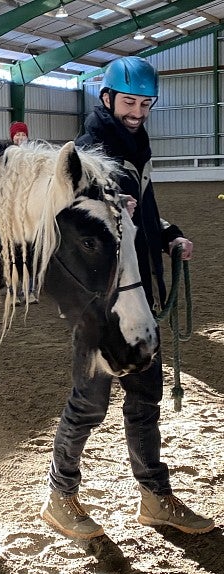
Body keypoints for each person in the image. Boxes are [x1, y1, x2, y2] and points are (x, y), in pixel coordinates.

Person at [40, 56, 214, 539]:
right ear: (107, 98)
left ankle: (155, 497)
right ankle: (60, 494)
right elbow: (71, 222)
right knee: (90, 403)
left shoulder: (135, 141)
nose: (138, 111)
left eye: (145, 103)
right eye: (129, 102)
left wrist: (168, 235)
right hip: (102, 304)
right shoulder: (91, 148)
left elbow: (144, 213)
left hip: (139, 292)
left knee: (145, 399)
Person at [9, 121, 38, 304]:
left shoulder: (34, 156)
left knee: (30, 250)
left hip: (30, 208)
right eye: (17, 135)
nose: (20, 138)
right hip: (12, 209)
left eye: (23, 134)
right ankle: (13, 292)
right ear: (12, 137)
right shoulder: (9, 156)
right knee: (12, 251)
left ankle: (30, 291)